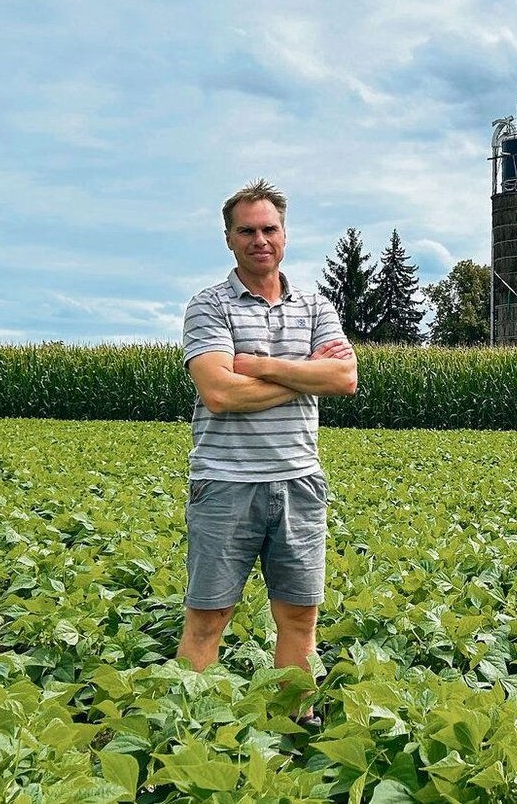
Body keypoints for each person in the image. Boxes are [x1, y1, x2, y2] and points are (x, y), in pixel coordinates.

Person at [177, 178, 357, 711]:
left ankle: (291, 724)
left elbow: (344, 379)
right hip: (225, 482)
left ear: (285, 234)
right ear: (229, 239)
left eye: (269, 229)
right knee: (208, 616)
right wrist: (305, 375)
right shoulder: (209, 307)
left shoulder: (317, 306)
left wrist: (256, 366)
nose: (260, 239)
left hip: (299, 483)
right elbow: (219, 392)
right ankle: (188, 727)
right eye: (247, 230)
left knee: (300, 617)